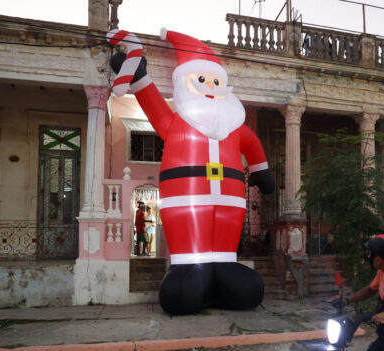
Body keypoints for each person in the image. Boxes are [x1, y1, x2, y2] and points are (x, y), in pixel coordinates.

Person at [108, 28, 275, 314]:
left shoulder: (235, 126)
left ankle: (224, 267)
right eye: (201, 80)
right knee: (185, 275)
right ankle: (187, 268)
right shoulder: (177, 122)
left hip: (230, 200)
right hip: (186, 197)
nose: (210, 87)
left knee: (230, 254)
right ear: (186, 83)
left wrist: (261, 171)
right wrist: (138, 77)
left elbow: (252, 143)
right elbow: (154, 107)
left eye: (215, 81)